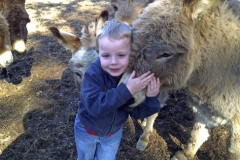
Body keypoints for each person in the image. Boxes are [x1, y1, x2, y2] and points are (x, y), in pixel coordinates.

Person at [74, 20, 161, 160]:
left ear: (131, 53)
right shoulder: (93, 74)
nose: (114, 62)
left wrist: (151, 98)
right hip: (87, 130)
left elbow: (137, 113)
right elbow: (95, 107)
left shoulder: (132, 77)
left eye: (121, 55)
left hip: (112, 134)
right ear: (98, 53)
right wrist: (127, 91)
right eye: (106, 55)